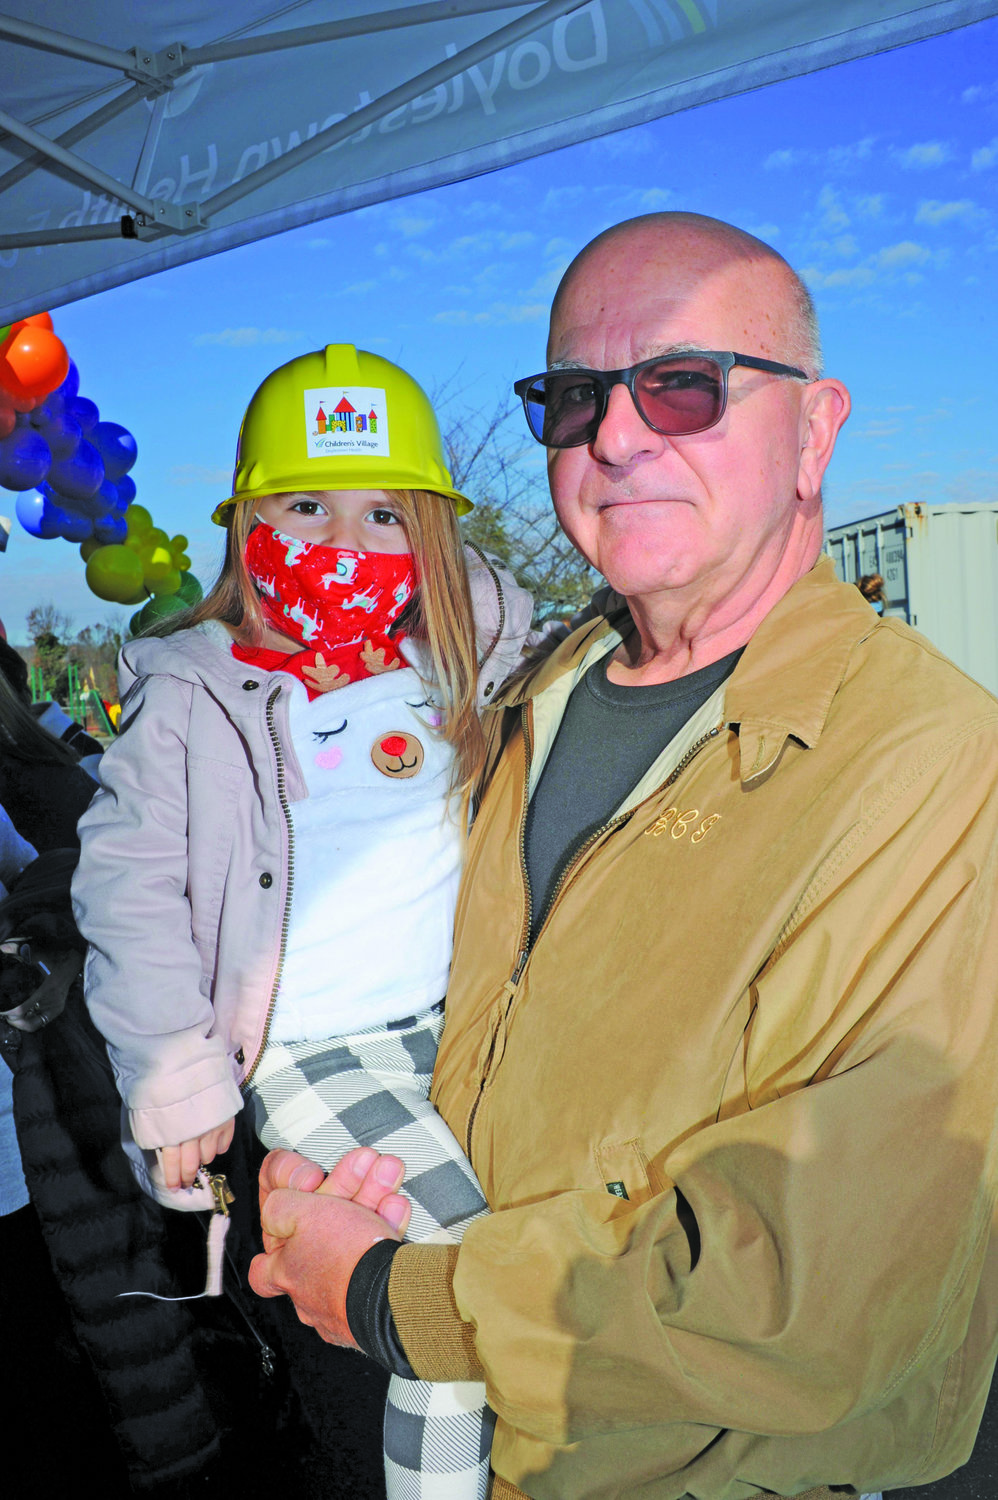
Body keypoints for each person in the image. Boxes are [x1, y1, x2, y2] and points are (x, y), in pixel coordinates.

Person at [246, 214, 998, 1500]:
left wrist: (389, 1294)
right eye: (573, 396)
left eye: (682, 385)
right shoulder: (524, 695)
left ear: (814, 432)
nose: (615, 434)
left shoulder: (928, 763)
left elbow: (810, 1301)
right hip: (504, 1446)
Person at [73, 344, 533, 1500]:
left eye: (385, 511)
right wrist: (176, 1079)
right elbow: (127, 893)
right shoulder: (189, 690)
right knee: (448, 1294)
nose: (345, 540)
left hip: (468, 1031)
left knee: (551, 1268)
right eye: (305, 504)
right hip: (316, 1048)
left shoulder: (452, 664)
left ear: (431, 532)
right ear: (244, 520)